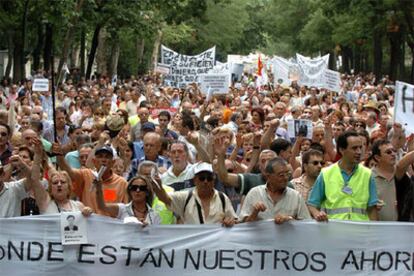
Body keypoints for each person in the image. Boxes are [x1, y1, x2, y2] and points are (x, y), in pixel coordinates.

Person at [307, 131, 379, 221]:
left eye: (360, 147)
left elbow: (372, 209)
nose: (359, 152)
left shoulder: (368, 174)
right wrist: (318, 214)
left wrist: (373, 232)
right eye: (354, 148)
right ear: (341, 150)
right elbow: (312, 204)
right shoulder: (326, 174)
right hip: (333, 231)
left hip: (360, 231)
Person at [151, 162, 237, 226]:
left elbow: (234, 220)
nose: (205, 181)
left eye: (209, 178)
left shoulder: (222, 198)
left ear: (214, 181)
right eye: (202, 178)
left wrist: (230, 221)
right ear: (195, 180)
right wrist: (158, 187)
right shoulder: (185, 197)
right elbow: (165, 199)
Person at [54, 143, 128, 214]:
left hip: (111, 225)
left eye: (107, 157)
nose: (104, 160)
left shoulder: (122, 183)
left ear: (113, 162)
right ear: (94, 161)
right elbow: (69, 171)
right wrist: (59, 155)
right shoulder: (86, 175)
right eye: (100, 156)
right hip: (88, 224)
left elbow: (125, 211)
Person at [30, 137, 93, 215]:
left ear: (69, 187)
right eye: (55, 183)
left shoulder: (79, 206)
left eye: (63, 182)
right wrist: (38, 154)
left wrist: (88, 212)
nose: (59, 185)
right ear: (50, 189)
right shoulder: (44, 201)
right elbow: (34, 180)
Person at [240, 157, 311, 224]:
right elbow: (243, 226)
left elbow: (306, 225)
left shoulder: (296, 196)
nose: (286, 178)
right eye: (281, 175)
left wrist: (290, 220)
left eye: (288, 174)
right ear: (268, 176)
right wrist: (255, 213)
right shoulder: (254, 193)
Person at [371, 138, 414, 221]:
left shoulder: (400, 175)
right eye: (388, 152)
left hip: (402, 228)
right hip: (377, 229)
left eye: (394, 151)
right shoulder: (368, 177)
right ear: (377, 157)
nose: (393, 154)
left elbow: (401, 165)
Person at [95, 175, 161, 225]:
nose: (137, 190)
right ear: (129, 191)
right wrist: (98, 188)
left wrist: (148, 229)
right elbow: (102, 206)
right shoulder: (122, 209)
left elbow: (156, 237)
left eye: (142, 188)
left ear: (147, 192)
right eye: (134, 188)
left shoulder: (155, 215)